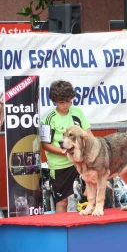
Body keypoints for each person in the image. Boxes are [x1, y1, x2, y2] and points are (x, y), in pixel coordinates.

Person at [41, 80, 92, 213]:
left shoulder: (78, 112)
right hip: (60, 165)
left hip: (82, 161)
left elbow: (89, 135)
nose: (66, 105)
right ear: (54, 101)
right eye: (62, 102)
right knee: (62, 201)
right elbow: (45, 145)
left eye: (68, 101)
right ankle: (61, 231)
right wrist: (66, 152)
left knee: (92, 194)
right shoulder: (48, 118)